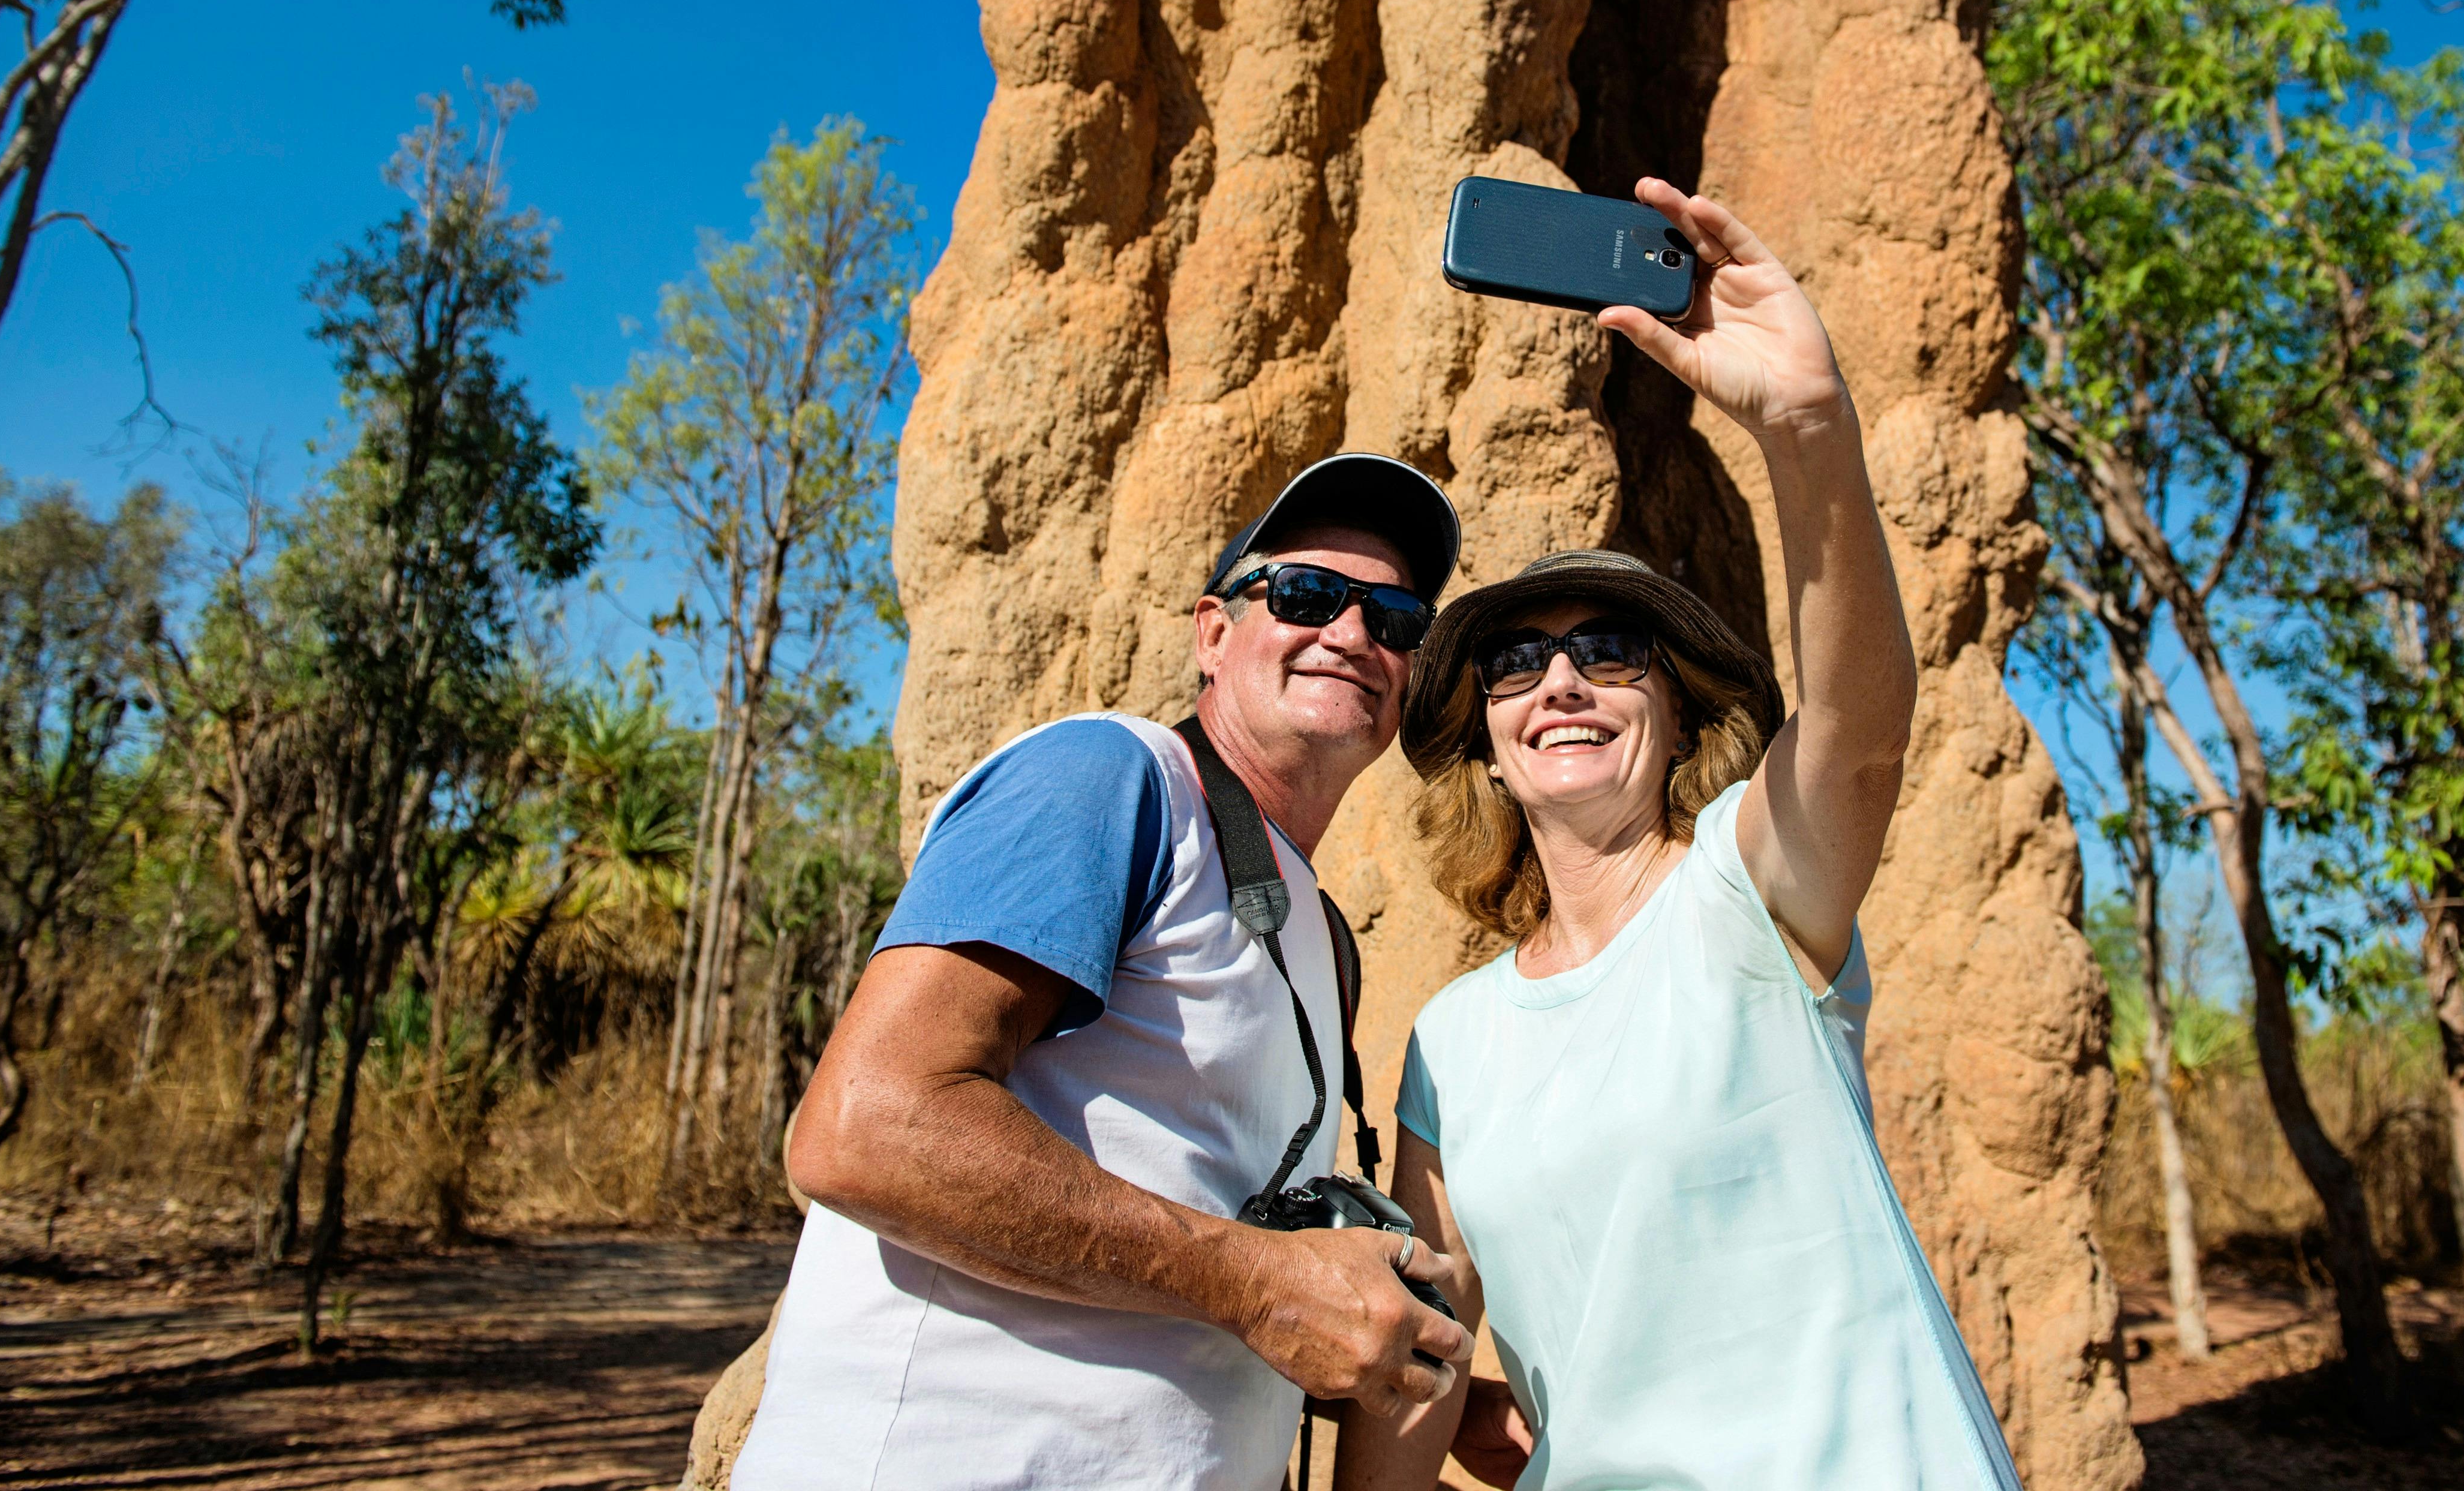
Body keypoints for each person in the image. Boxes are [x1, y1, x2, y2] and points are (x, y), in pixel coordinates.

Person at [1339, 179, 2027, 1491]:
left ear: (1673, 704)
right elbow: (1424, 1345)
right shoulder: (1455, 1041)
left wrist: (1809, 428)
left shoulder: (1745, 892)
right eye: (1516, 667)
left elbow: (1858, 730)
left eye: (1610, 651)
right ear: (1485, 739)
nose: (1561, 683)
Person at [734, 454, 1477, 1491]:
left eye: (1398, 620)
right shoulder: (1111, 777)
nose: (1354, 634)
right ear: (1213, 635)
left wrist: (1385, 1349)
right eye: (1308, 595)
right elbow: (866, 1127)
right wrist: (1262, 1289)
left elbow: (1200, 1222)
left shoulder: (1320, 932)